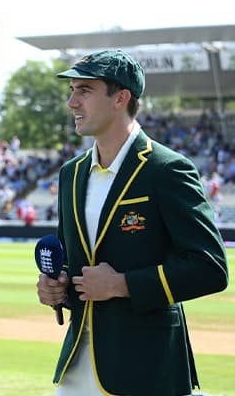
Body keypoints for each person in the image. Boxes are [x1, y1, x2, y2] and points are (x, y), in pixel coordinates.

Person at [36, 50, 229, 396]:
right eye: (72, 91)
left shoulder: (167, 169)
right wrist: (57, 289)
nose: (72, 102)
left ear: (120, 98)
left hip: (147, 370)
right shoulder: (71, 173)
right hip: (75, 370)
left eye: (85, 90)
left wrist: (122, 284)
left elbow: (210, 268)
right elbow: (77, 267)